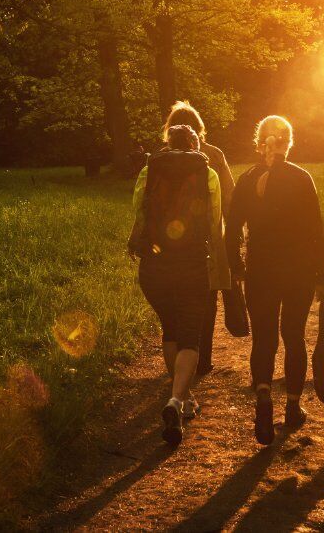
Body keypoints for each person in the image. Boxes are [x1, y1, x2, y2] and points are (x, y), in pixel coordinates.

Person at [226, 115, 324, 446]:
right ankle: (293, 406)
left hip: (261, 271)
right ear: (288, 142)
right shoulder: (302, 178)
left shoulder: (247, 180)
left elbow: (232, 231)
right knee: (294, 336)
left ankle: (263, 397)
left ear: (260, 144)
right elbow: (316, 232)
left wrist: (237, 267)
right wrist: (323, 276)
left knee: (264, 339)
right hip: (298, 272)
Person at [129, 124, 231, 446]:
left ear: (167, 143)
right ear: (194, 143)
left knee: (170, 328)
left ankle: (183, 398)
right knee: (190, 334)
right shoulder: (207, 172)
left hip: (155, 265)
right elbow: (215, 222)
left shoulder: (150, 170)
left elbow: (138, 211)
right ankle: (177, 399)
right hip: (191, 264)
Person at [163, 101, 235, 376]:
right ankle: (202, 359)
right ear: (199, 128)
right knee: (207, 299)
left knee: (176, 299)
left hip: (171, 241)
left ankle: (179, 359)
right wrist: (235, 234)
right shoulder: (213, 155)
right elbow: (229, 196)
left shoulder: (160, 158)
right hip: (207, 242)